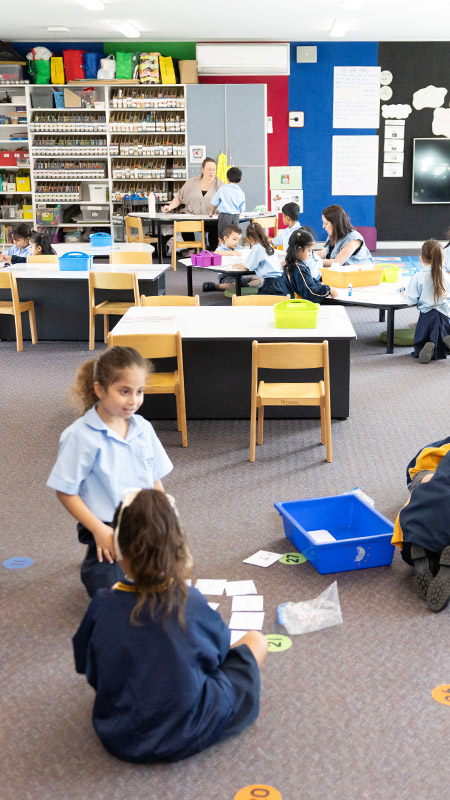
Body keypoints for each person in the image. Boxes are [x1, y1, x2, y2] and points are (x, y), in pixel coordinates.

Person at [73, 488, 267, 763]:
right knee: (256, 641)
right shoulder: (191, 603)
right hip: (189, 730)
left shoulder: (102, 604)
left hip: (118, 732)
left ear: (117, 548)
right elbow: (219, 656)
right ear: (178, 548)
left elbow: (86, 665)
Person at [47, 347, 173, 598]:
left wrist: (162, 514)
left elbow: (154, 477)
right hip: (106, 525)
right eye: (124, 391)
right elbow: (65, 491)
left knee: (163, 579)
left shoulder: (143, 428)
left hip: (142, 518)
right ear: (99, 389)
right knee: (109, 591)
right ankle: (95, 559)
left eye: (139, 392)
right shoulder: (79, 436)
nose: (133, 400)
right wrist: (99, 530)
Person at [392, 436, 450, 611]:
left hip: (427, 478)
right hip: (432, 477)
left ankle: (420, 544)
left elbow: (416, 468)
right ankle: (439, 550)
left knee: (423, 494)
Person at [403, 239, 450, 362]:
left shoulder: (419, 276)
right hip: (445, 315)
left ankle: (424, 349)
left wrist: (404, 294)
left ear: (422, 258)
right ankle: (445, 343)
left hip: (427, 316)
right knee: (442, 335)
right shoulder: (446, 276)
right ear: (442, 258)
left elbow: (410, 300)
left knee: (422, 339)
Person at [162, 156, 223, 251]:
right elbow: (179, 197)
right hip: (193, 218)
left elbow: (227, 201)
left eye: (213, 170)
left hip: (212, 219)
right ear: (202, 169)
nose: (211, 172)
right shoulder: (192, 182)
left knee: (216, 227)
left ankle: (212, 252)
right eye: (208, 169)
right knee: (183, 223)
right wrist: (169, 207)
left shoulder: (220, 185)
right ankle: (191, 250)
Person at [271, 229, 338, 301]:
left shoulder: (293, 263)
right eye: (309, 250)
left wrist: (322, 286)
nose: (310, 254)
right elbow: (311, 294)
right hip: (294, 306)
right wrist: (327, 289)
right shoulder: (299, 268)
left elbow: (310, 281)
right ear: (299, 250)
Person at [202, 224, 251, 293]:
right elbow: (216, 253)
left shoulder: (239, 248)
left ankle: (244, 286)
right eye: (234, 239)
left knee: (259, 280)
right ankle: (216, 286)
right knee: (234, 285)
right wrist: (232, 253)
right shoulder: (221, 249)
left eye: (238, 240)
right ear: (225, 239)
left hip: (239, 275)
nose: (237, 242)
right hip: (226, 275)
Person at [239, 222, 283, 294]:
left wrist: (237, 266)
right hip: (280, 280)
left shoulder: (257, 248)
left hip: (270, 283)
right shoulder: (268, 245)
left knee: (263, 303)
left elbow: (248, 267)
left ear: (249, 239)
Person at [209, 166, 246, 242]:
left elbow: (214, 203)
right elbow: (242, 209)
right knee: (233, 237)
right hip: (235, 217)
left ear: (227, 178)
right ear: (240, 180)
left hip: (225, 217)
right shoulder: (241, 192)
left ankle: (223, 252)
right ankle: (231, 252)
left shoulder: (222, 189)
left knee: (222, 237)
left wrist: (211, 212)